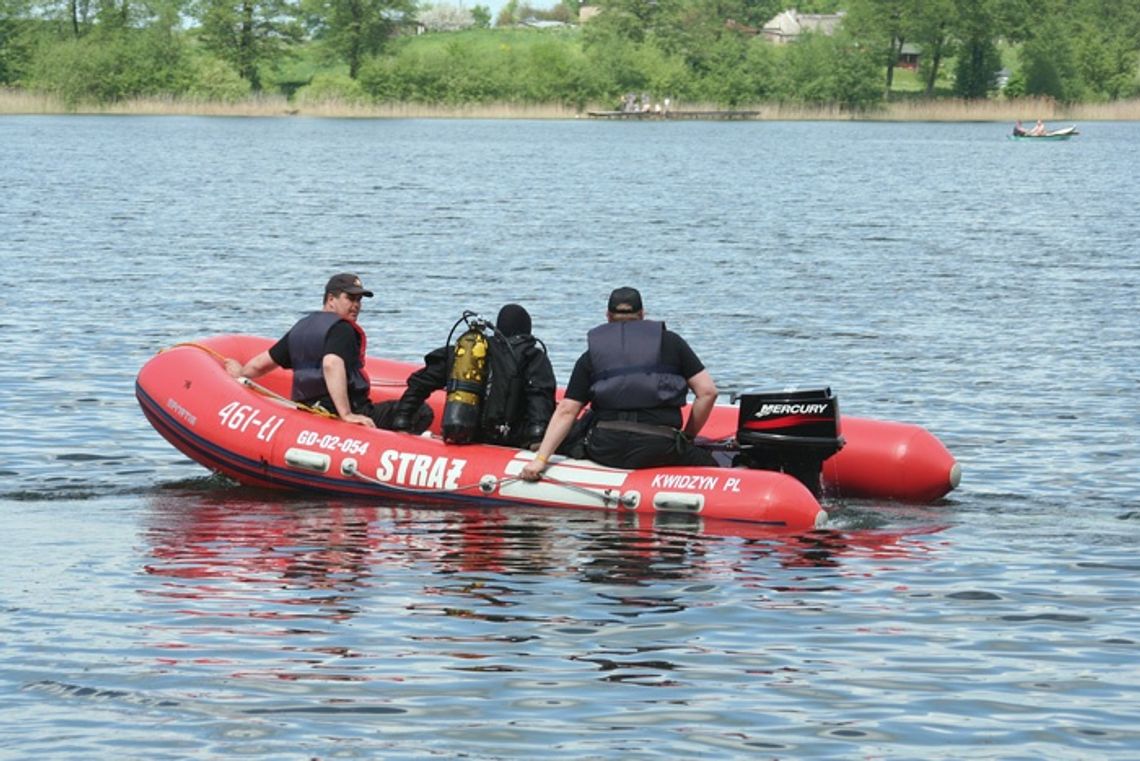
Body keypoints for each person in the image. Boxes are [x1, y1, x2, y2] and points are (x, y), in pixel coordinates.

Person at [520, 287, 718, 481]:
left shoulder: (592, 355)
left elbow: (567, 410)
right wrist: (687, 437)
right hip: (658, 448)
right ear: (642, 314)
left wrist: (541, 460)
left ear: (608, 316)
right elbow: (708, 393)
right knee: (711, 464)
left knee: (575, 439)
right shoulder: (672, 343)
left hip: (606, 447)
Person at [226, 273, 429, 430]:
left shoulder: (303, 327)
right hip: (339, 412)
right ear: (331, 299)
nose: (356, 306)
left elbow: (261, 364)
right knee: (420, 411)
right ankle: (393, 450)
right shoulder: (342, 329)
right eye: (350, 299)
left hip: (308, 411)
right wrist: (347, 414)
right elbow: (331, 364)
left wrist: (241, 374)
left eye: (359, 300)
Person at [387, 304, 556, 449]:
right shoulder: (532, 356)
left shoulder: (468, 353)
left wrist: (402, 419)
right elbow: (540, 396)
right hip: (509, 441)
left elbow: (421, 382)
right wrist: (538, 437)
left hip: (468, 434)